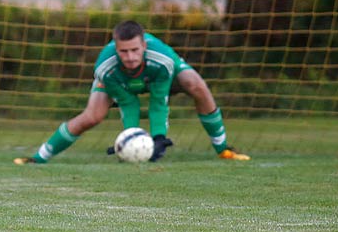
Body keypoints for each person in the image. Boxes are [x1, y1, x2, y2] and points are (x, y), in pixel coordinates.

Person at [15, 21, 250, 164]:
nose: (129, 56)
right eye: (123, 51)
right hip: (121, 83)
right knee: (92, 116)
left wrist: (158, 138)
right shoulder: (105, 68)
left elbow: (159, 101)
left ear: (144, 46)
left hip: (159, 74)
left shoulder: (162, 60)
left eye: (135, 50)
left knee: (196, 84)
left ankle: (224, 149)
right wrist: (130, 137)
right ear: (115, 48)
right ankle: (39, 157)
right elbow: (129, 103)